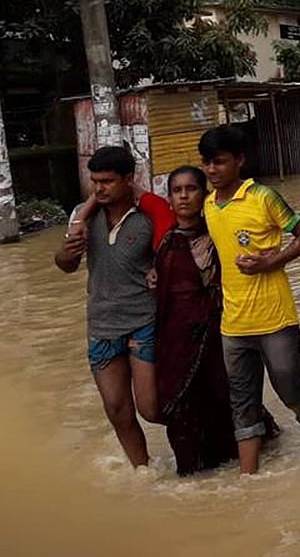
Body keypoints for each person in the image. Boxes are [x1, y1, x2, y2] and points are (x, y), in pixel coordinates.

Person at [199, 125, 300, 475]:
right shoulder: (208, 206)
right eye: (206, 163)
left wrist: (269, 262)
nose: (212, 170)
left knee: (290, 387)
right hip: (233, 322)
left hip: (275, 317)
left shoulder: (263, 197)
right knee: (242, 401)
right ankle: (249, 478)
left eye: (219, 162)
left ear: (239, 161)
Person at [54, 146, 161, 467]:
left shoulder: (149, 216)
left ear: (129, 179)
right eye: (94, 181)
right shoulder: (83, 217)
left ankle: (202, 440)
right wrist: (70, 251)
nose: (99, 188)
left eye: (107, 181)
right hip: (101, 325)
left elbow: (170, 260)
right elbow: (64, 265)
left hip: (144, 321)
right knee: (116, 409)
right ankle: (144, 472)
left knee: (151, 408)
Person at [154, 166, 241, 476]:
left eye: (191, 189)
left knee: (224, 400)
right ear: (169, 199)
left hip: (217, 337)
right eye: (177, 191)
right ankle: (191, 477)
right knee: (179, 409)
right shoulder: (164, 244)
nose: (183, 196)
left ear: (203, 195)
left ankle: (233, 469)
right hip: (175, 342)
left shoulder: (218, 236)